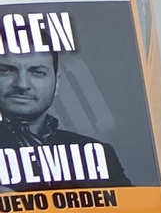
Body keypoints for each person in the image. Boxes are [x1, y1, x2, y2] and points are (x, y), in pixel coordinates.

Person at [0, 51, 131, 188]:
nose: (22, 84)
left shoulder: (99, 154)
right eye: (6, 71)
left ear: (57, 84)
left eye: (38, 72)